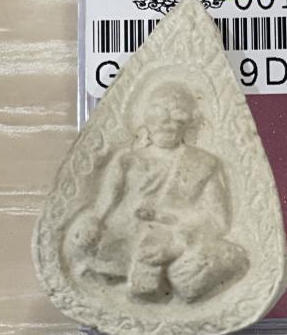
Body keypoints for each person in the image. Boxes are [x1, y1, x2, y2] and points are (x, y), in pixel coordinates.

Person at [69, 82, 248, 302]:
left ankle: (166, 282)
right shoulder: (127, 160)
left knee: (222, 258)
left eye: (177, 117)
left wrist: (177, 241)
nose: (168, 124)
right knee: (82, 244)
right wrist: (92, 224)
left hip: (176, 239)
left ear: (189, 122)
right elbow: (102, 207)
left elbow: (218, 220)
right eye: (160, 115)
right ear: (146, 119)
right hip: (123, 239)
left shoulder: (203, 163)